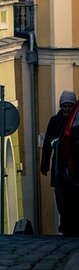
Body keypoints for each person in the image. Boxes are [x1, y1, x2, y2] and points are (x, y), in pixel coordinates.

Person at [43, 90, 78, 235]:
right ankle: (65, 221)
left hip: (73, 164)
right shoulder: (55, 121)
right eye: (65, 106)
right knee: (60, 194)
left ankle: (69, 223)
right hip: (59, 164)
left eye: (70, 106)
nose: (67, 109)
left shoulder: (76, 122)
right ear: (61, 106)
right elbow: (47, 143)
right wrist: (44, 165)